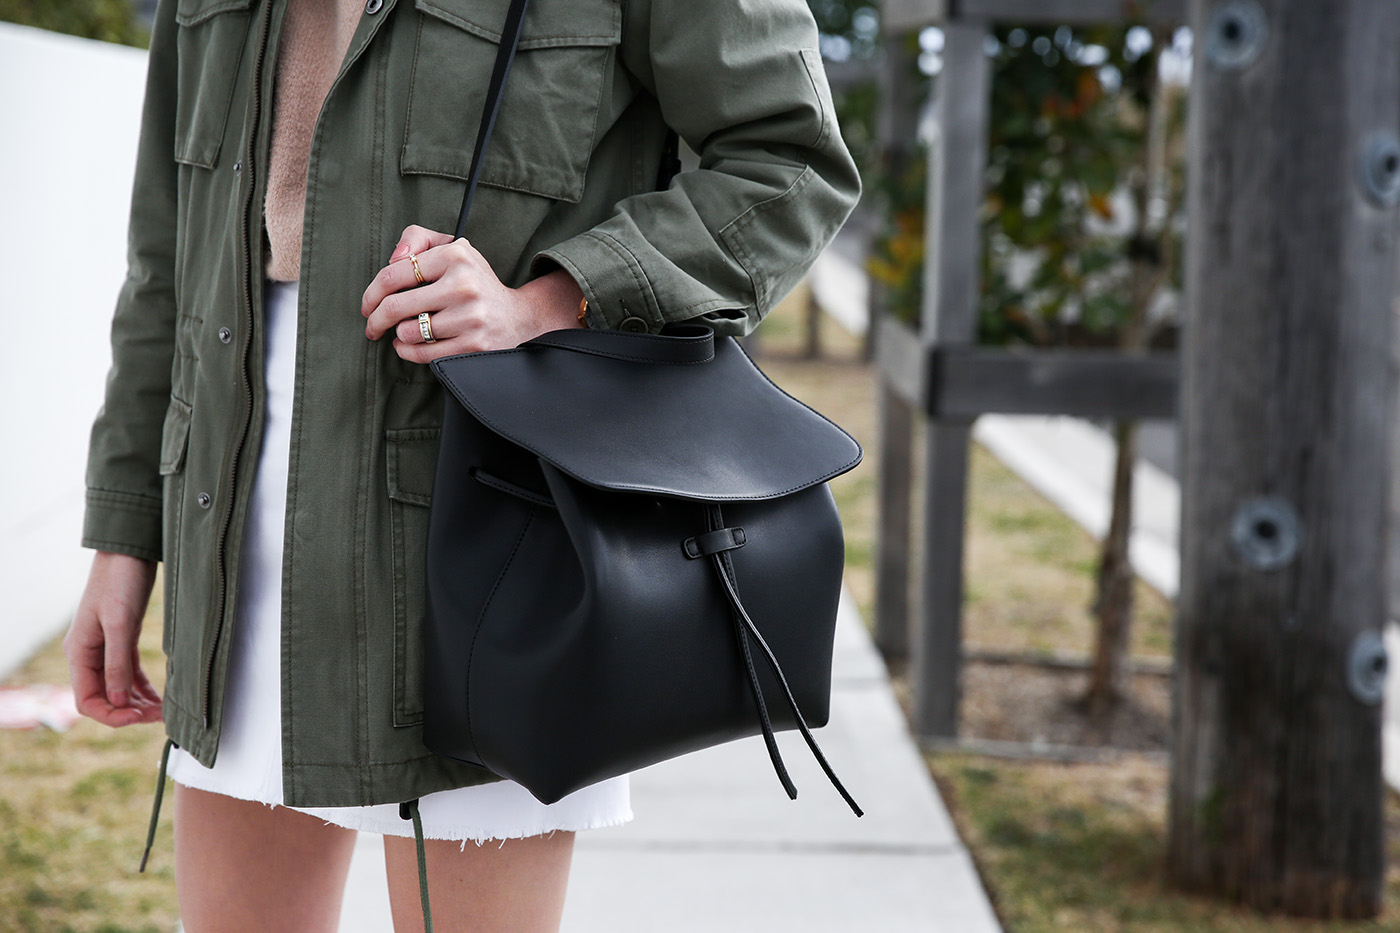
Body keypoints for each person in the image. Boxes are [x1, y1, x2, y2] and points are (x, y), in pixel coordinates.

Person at [65, 0, 860, 928]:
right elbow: (167, 253)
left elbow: (788, 162)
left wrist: (556, 296)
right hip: (230, 519)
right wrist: (124, 533)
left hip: (488, 525)